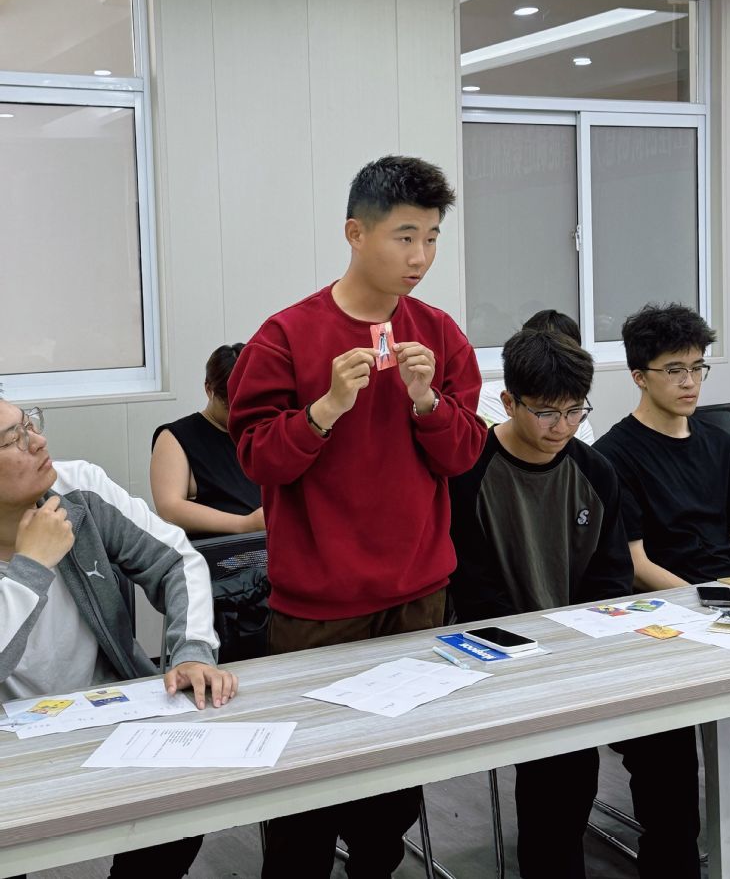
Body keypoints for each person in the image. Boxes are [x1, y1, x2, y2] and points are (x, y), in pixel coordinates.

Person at [227, 154, 486, 879]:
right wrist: (324, 410)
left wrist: (427, 402)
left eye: (431, 238)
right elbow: (256, 459)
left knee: (391, 791)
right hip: (318, 605)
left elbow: (465, 455)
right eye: (404, 237)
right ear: (355, 233)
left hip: (416, 597)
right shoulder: (285, 335)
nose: (420, 257)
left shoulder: (437, 333)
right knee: (305, 796)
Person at [594, 302, 730, 867]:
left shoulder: (720, 444)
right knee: (674, 756)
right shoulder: (614, 456)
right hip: (666, 611)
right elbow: (636, 562)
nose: (690, 382)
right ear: (639, 376)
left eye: (697, 367)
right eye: (674, 370)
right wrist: (711, 605)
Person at [0, 400, 237, 879]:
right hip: (12, 743)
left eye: (30, 423)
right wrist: (32, 567)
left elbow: (176, 560)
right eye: (14, 440)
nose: (38, 441)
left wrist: (192, 651)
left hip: (103, 711)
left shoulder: (78, 490)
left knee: (180, 816)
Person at [449, 329, 632, 879]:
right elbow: (473, 589)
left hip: (578, 653)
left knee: (575, 777)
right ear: (508, 402)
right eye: (547, 413)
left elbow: (611, 576)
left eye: (576, 412)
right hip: (498, 654)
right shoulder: (469, 473)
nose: (563, 427)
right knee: (554, 779)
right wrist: (535, 648)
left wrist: (577, 643)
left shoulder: (595, 472)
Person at [151, 343, 263, 538]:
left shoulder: (263, 431)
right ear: (209, 390)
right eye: (231, 407)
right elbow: (169, 508)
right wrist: (246, 524)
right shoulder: (175, 438)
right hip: (218, 552)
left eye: (249, 406)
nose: (241, 416)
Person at [478, 309, 595, 443]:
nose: (561, 429)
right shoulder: (486, 398)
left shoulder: (581, 423)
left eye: (573, 410)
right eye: (546, 413)